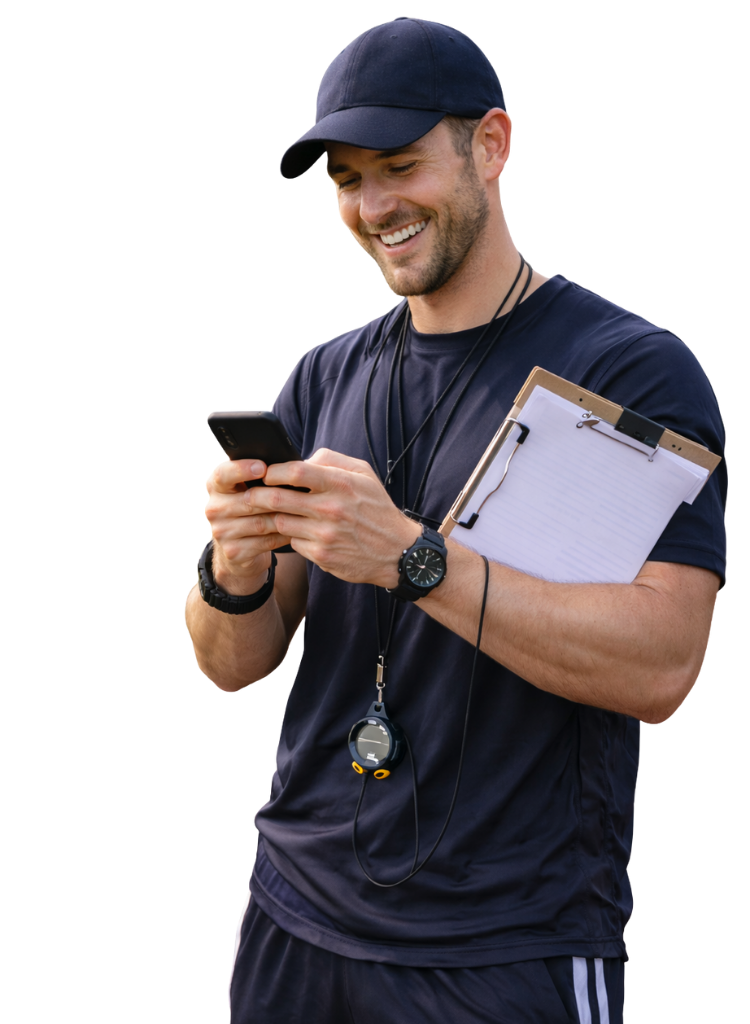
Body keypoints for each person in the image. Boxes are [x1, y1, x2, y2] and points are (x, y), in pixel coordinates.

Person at [184, 18, 726, 1024]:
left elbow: (662, 669)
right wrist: (235, 564)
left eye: (398, 164)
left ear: (491, 145)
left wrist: (414, 557)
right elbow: (230, 662)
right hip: (293, 921)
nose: (372, 205)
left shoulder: (626, 369)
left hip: (504, 946)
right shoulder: (325, 373)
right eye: (347, 179)